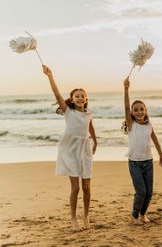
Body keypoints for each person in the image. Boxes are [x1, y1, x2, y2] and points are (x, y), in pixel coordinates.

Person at [42, 65, 97, 231]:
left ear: (85, 99)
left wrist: (95, 140)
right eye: (77, 96)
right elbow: (57, 94)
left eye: (83, 96)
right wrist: (50, 76)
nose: (80, 98)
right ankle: (73, 218)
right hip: (70, 150)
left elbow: (90, 126)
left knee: (87, 187)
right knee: (76, 187)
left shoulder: (88, 113)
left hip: (85, 149)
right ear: (72, 99)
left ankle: (86, 216)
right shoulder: (68, 111)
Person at [123, 77, 162, 225]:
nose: (139, 112)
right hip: (134, 163)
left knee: (149, 193)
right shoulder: (131, 125)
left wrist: (161, 154)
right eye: (136, 110)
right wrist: (126, 89)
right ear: (132, 113)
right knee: (140, 192)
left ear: (145, 111)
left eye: (142, 109)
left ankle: (143, 214)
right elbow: (126, 105)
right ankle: (134, 215)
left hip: (148, 162)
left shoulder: (148, 125)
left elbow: (155, 139)